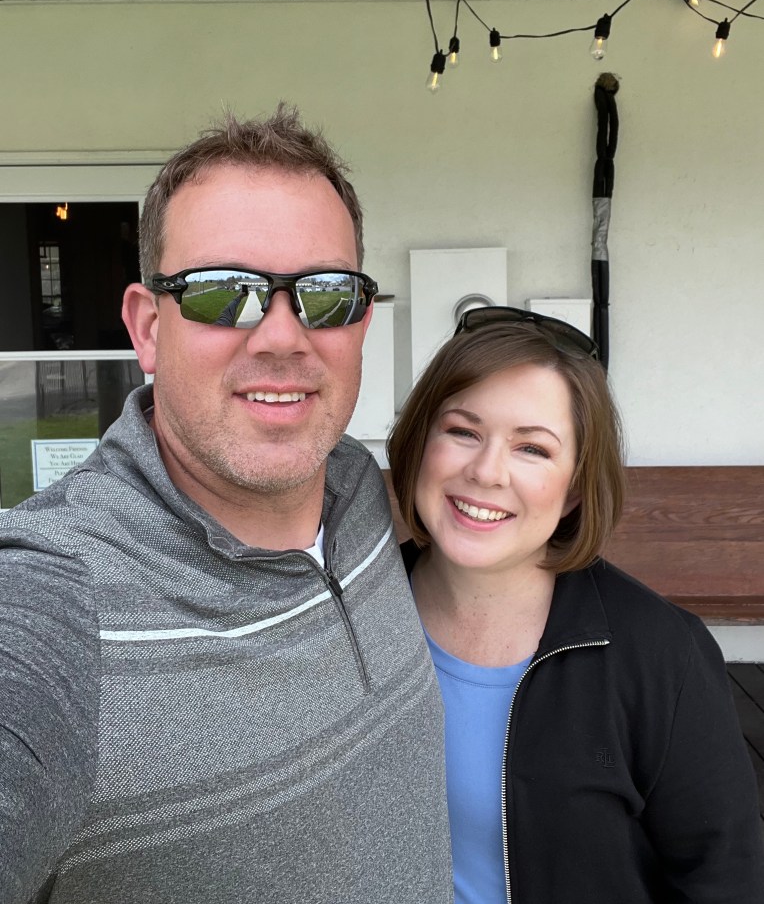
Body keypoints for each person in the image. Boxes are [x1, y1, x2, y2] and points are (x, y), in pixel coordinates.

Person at [0, 106, 453, 904]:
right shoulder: (57, 600)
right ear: (147, 327)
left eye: (324, 294)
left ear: (361, 321)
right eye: (222, 293)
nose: (282, 336)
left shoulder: (361, 486)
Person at [388, 306, 764, 904]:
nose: (486, 472)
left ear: (574, 489)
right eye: (463, 432)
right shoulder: (349, 612)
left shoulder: (664, 655)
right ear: (419, 442)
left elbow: (723, 881)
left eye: (532, 449)